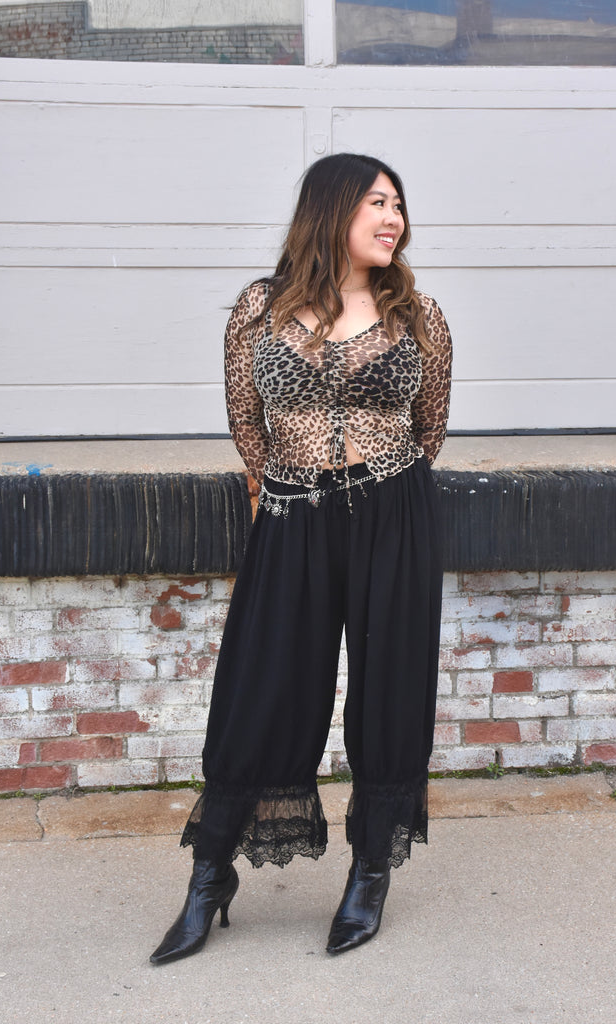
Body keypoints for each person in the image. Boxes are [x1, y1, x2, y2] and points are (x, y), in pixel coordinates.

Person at [150, 152, 453, 964]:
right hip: (290, 514)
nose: (393, 219)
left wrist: (376, 485)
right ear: (331, 209)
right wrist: (292, 483)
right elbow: (244, 423)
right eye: (376, 203)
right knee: (262, 691)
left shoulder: (418, 313)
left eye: (398, 205)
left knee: (389, 692)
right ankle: (210, 875)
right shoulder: (261, 308)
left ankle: (369, 873)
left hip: (393, 515)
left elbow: (430, 427)